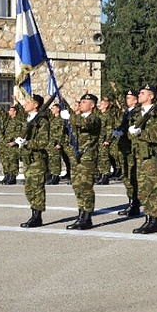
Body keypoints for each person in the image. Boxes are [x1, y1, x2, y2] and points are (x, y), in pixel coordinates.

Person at [128, 84, 157, 234]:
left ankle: (154, 221)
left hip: (151, 156)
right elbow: (131, 134)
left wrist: (140, 133)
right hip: (139, 156)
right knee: (143, 189)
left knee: (153, 188)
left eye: (143, 93)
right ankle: (148, 218)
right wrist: (133, 132)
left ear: (151, 96)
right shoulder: (137, 113)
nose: (140, 95)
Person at [64, 93, 102, 230]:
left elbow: (85, 124)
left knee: (86, 188)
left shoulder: (94, 119)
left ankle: (87, 217)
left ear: (92, 105)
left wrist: (70, 115)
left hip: (87, 158)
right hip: (76, 158)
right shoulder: (77, 118)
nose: (81, 103)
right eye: (81, 101)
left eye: (85, 102)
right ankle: (80, 215)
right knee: (77, 187)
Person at [15, 94, 49, 228]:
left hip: (37, 160)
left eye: (28, 102)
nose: (25, 104)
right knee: (29, 189)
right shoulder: (26, 120)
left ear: (36, 105)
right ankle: (34, 212)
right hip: (27, 159)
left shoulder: (42, 121)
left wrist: (27, 143)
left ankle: (37, 217)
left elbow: (42, 142)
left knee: (37, 188)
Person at [115, 89, 141, 217]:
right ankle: (131, 202)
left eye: (130, 97)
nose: (127, 99)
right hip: (124, 148)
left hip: (132, 149)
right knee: (126, 176)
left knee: (133, 177)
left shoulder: (138, 112)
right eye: (127, 97)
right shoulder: (126, 112)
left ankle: (135, 204)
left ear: (136, 100)